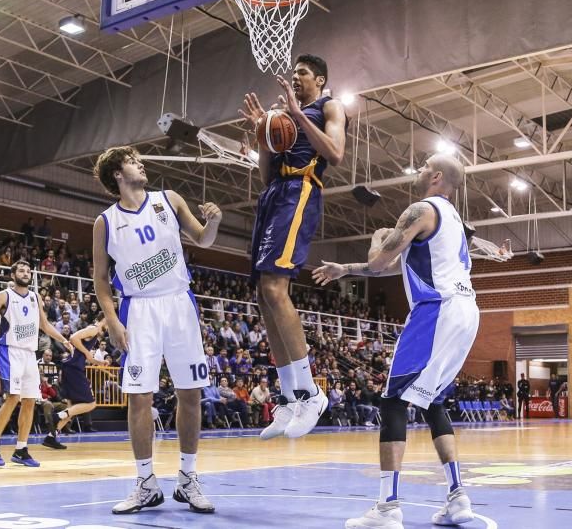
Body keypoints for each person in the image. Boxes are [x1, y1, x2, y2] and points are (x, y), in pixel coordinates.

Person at [313, 153, 480, 529]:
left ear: (437, 177)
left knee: (392, 402)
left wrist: (374, 242)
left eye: (423, 167)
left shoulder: (421, 209)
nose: (418, 170)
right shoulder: (453, 217)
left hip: (437, 310)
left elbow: (379, 263)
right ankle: (458, 498)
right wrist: (344, 269)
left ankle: (388, 509)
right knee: (433, 402)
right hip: (467, 311)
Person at [91, 146, 223, 514]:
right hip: (139, 309)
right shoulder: (105, 221)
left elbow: (203, 239)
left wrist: (212, 222)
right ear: (117, 174)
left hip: (179, 302)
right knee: (139, 397)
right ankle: (146, 483)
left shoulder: (169, 199)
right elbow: (101, 281)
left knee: (191, 393)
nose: (141, 164)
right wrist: (113, 320)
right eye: (133, 161)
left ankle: (187, 478)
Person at [238, 54, 345, 440]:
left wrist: (299, 115)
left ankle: (311, 393)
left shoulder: (329, 107)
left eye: (302, 72)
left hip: (301, 191)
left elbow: (335, 154)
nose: (295, 77)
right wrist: (262, 134)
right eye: (293, 72)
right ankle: (286, 398)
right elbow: (266, 176)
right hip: (275, 194)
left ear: (319, 78)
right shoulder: (284, 116)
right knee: (262, 296)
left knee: (274, 288)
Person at [0, 261, 72, 468]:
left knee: (30, 400)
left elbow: (45, 325)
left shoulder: (35, 297)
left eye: (28, 271)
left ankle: (21, 449)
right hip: (9, 351)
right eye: (21, 270)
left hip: (30, 353)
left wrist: (64, 340)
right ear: (13, 274)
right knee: (13, 398)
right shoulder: (4, 296)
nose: (25, 273)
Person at [43, 317, 109, 449]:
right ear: (104, 320)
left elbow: (82, 354)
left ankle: (51, 436)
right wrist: (88, 354)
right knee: (90, 404)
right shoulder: (93, 329)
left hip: (71, 368)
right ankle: (58, 416)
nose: (109, 327)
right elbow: (73, 338)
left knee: (72, 408)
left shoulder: (94, 332)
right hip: (73, 369)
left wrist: (99, 362)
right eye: (109, 323)